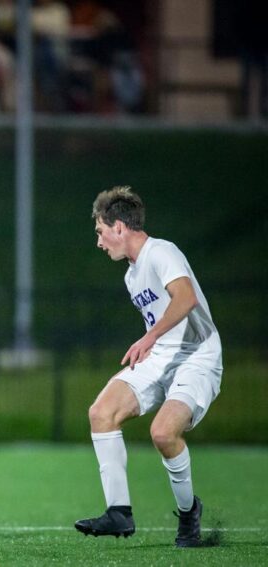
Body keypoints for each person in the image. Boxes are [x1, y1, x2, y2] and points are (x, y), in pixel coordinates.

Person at [75, 186, 222, 548]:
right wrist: (152, 342)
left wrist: (149, 337)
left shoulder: (162, 251)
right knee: (101, 412)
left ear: (120, 227)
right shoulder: (131, 274)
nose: (99, 241)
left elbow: (185, 298)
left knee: (162, 434)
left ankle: (189, 513)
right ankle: (118, 513)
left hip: (197, 355)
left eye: (100, 231)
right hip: (161, 355)